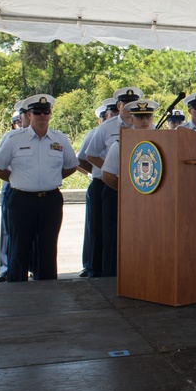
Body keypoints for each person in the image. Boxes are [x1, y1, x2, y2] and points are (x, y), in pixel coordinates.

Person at [0, 94, 79, 282]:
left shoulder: (60, 139)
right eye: (37, 112)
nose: (41, 116)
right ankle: (16, 290)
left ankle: (47, 292)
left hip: (50, 200)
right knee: (19, 248)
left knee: (48, 248)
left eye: (45, 112)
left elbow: (71, 165)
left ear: (50, 114)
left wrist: (52, 178)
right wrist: (15, 179)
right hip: (22, 200)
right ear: (29, 115)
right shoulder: (14, 139)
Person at [83, 87, 140, 277]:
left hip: (139, 189)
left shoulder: (145, 125)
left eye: (134, 104)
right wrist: (111, 168)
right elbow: (90, 154)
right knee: (106, 233)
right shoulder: (106, 127)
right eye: (126, 104)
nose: (130, 109)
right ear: (118, 105)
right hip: (109, 185)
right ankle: (103, 272)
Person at [76, 99, 116, 277]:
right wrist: (97, 171)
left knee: (112, 230)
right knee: (96, 228)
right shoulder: (97, 132)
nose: (114, 115)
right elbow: (82, 159)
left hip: (123, 185)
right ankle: (92, 266)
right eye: (111, 112)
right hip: (101, 183)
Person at [0, 103, 29, 282]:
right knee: (9, 231)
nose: (19, 123)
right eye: (16, 121)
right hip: (11, 186)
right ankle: (7, 268)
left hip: (31, 190)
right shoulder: (10, 138)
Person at [101, 98, 158, 189]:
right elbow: (107, 176)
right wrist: (125, 191)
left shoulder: (161, 144)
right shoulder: (120, 145)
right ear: (132, 119)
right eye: (140, 117)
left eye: (148, 117)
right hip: (128, 197)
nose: (145, 121)